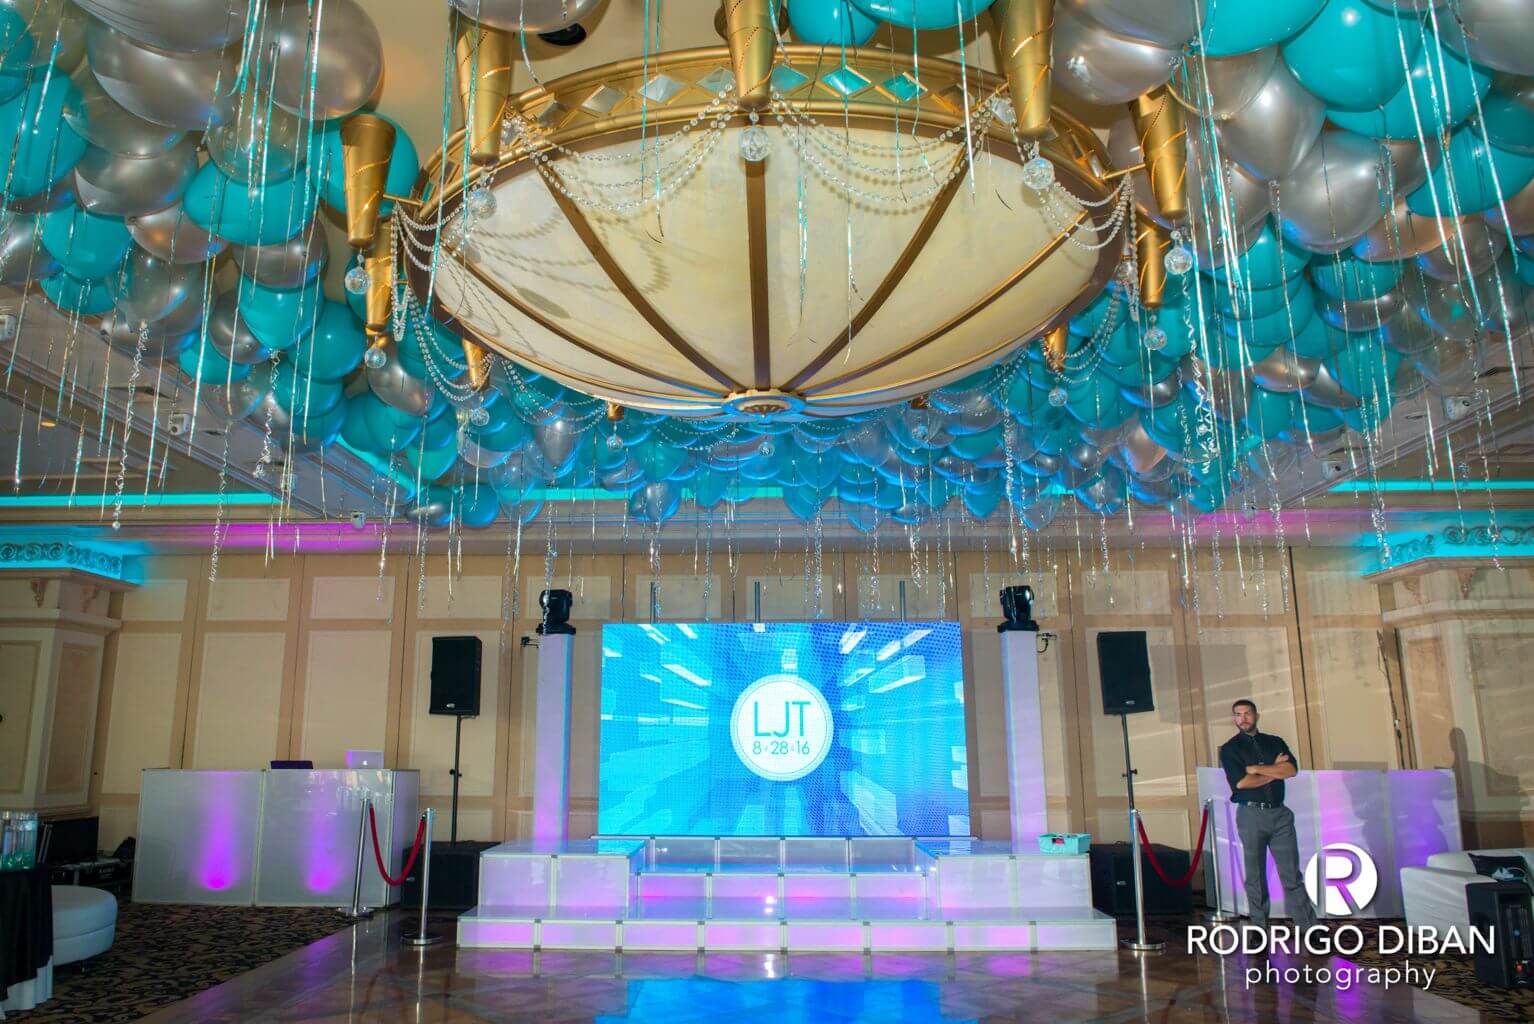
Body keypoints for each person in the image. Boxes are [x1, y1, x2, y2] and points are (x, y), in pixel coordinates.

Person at [1218, 698, 1318, 932]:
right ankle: (1258, 929)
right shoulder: (1231, 749)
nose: (1242, 718)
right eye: (1238, 714)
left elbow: (1291, 770)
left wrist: (1257, 769)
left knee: (1291, 874)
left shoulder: (1275, 742)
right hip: (1251, 815)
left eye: (1247, 713)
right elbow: (1242, 783)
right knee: (1255, 876)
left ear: (1256, 715)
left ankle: (1308, 927)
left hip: (1280, 814)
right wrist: (1275, 772)